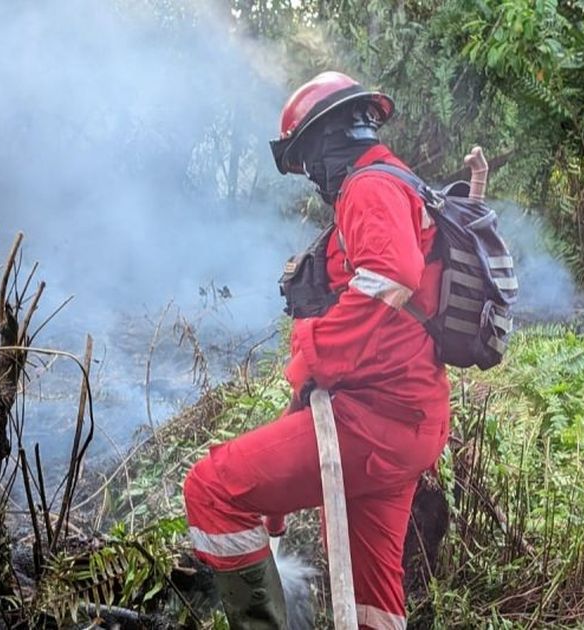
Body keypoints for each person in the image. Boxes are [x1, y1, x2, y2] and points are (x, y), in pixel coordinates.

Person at [183, 71, 450, 630]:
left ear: (326, 138)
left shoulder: (369, 186)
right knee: (371, 598)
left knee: (211, 487)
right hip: (406, 420)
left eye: (306, 161)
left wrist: (316, 349)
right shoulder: (399, 182)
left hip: (372, 421)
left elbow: (389, 273)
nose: (309, 177)